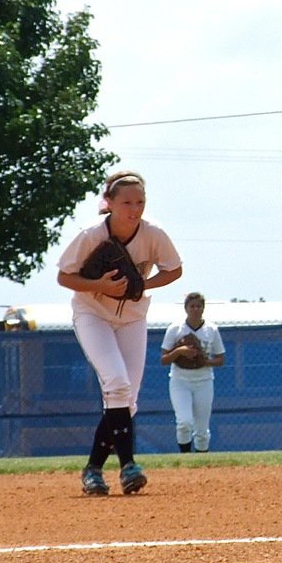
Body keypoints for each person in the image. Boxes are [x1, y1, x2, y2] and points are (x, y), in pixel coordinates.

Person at [57, 170, 183, 495]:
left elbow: (174, 268)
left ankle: (93, 470)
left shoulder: (153, 234)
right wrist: (98, 285)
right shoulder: (91, 235)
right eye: (126, 201)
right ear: (109, 203)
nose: (134, 208)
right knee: (116, 382)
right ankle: (129, 466)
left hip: (132, 317)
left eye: (140, 201)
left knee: (127, 399)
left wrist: (144, 284)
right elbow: (64, 277)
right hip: (92, 313)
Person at [161, 291, 226, 453]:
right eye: (192, 306)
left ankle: (200, 462)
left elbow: (220, 358)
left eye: (199, 306)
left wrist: (206, 361)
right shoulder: (175, 329)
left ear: (203, 308)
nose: (195, 309)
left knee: (202, 430)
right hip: (180, 380)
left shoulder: (211, 329)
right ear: (186, 308)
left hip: (203, 380)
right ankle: (185, 459)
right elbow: (164, 359)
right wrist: (180, 351)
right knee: (184, 422)